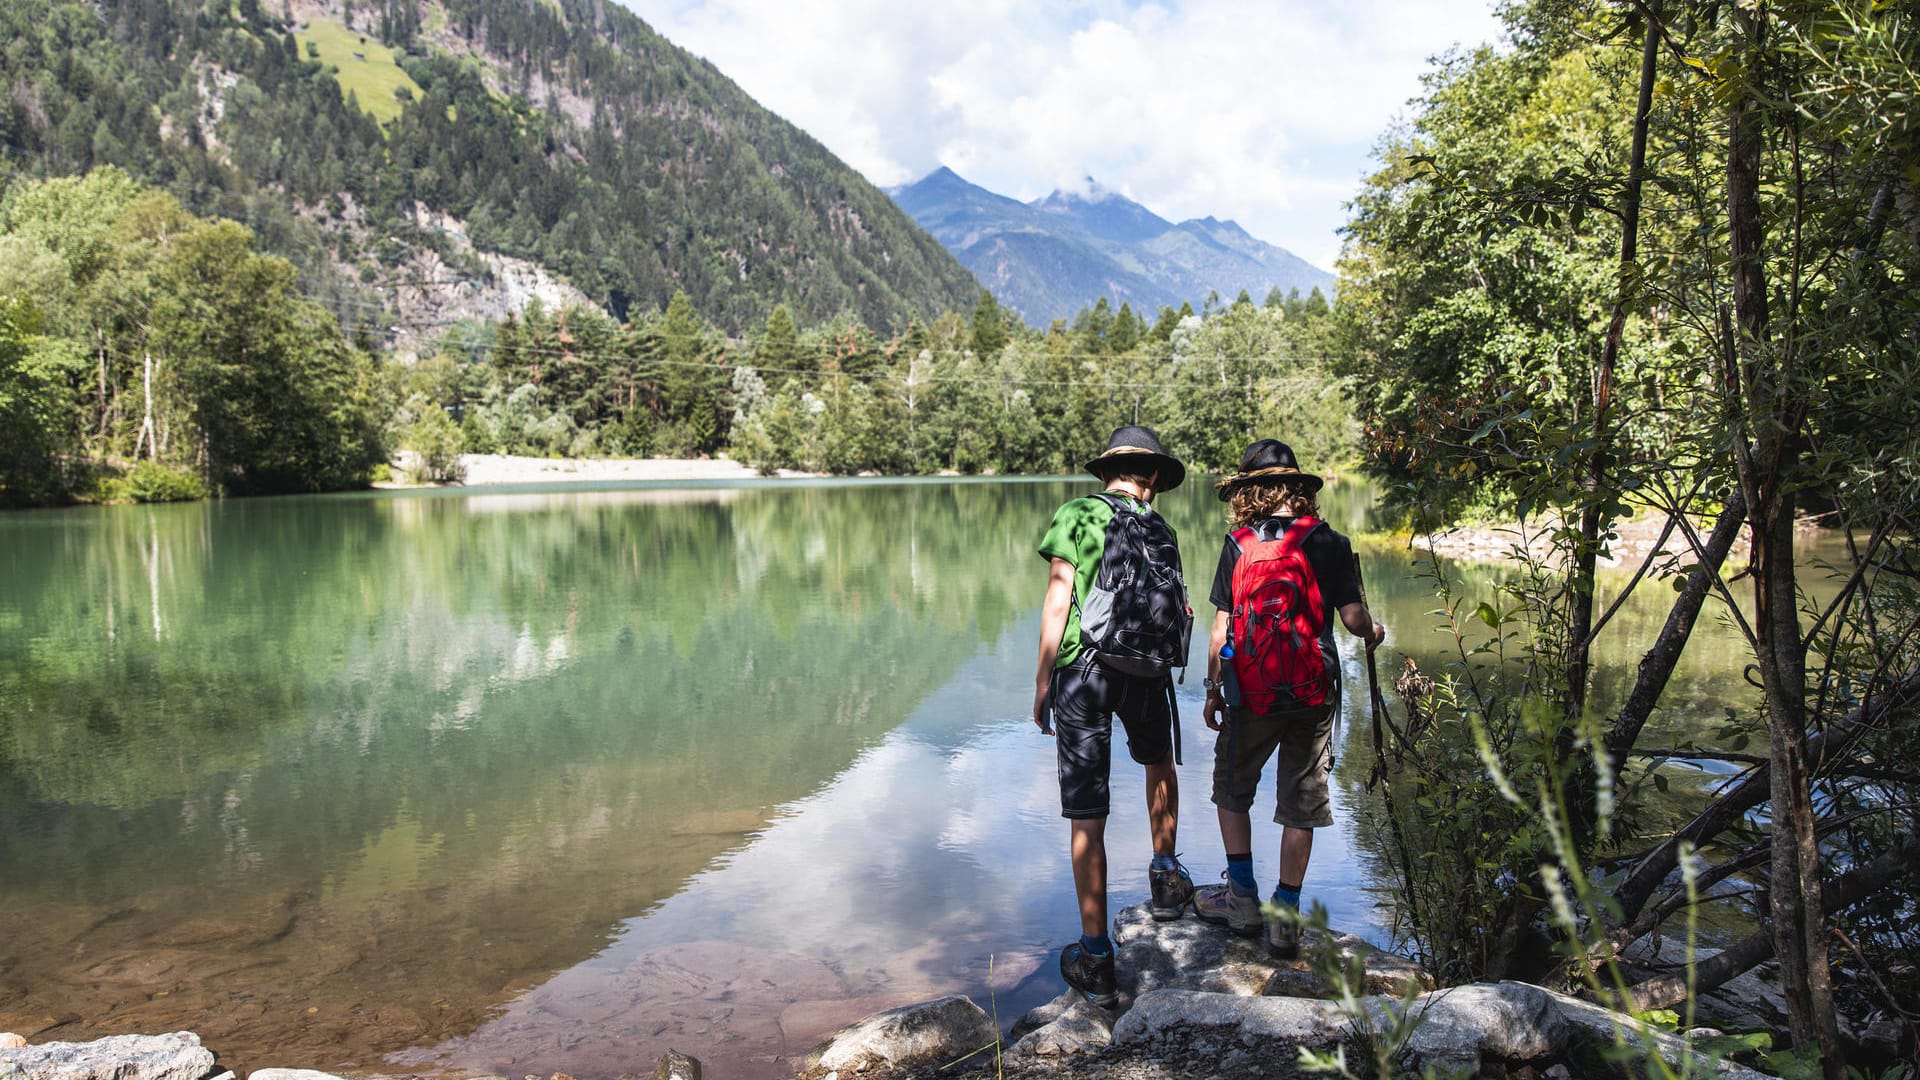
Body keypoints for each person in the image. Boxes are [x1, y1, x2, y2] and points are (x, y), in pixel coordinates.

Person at [1192, 439, 1385, 958]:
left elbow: (1220, 629)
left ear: (1249, 494)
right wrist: (1375, 630)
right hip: (1312, 688)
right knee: (1301, 801)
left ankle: (1241, 899)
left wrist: (1213, 688)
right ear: (1299, 490)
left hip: (1248, 691)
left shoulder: (1237, 544)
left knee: (1232, 789)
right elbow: (1351, 619)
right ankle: (1285, 915)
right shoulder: (1329, 541)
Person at [1033, 424, 1196, 1008]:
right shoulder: (1161, 527)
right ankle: (1166, 878)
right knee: (1158, 763)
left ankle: (1096, 956)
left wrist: (1043, 678)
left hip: (1086, 671)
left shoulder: (1077, 513)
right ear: (1151, 477)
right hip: (1147, 671)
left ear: (1107, 471)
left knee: (1086, 810)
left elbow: (1059, 596)